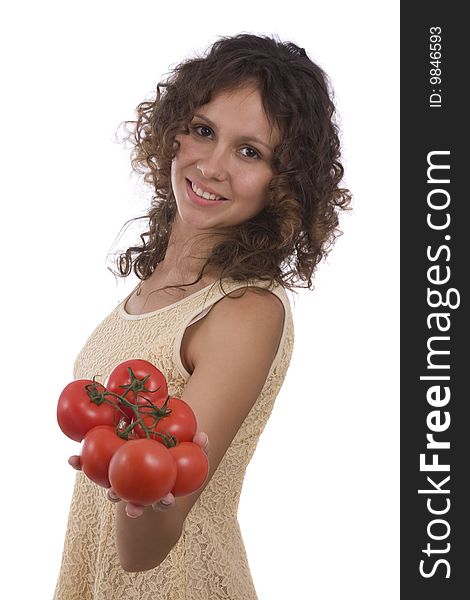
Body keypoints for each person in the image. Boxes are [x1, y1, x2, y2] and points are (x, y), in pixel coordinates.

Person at [53, 33, 351, 600]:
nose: (211, 165)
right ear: (173, 130)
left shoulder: (245, 310)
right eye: (204, 130)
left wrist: (143, 493)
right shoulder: (155, 287)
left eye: (250, 152)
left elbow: (143, 553)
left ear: (282, 184)